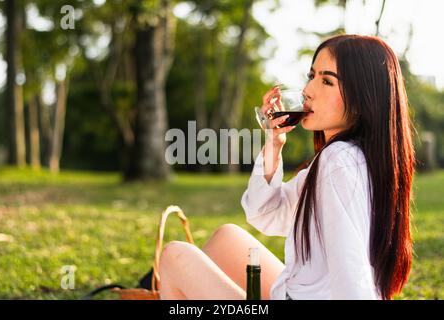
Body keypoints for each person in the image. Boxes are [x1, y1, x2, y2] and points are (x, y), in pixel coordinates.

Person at [158, 34, 415, 300]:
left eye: (327, 81)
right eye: (311, 76)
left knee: (175, 256)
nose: (308, 90)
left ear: (363, 97)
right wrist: (274, 142)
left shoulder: (338, 161)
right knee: (227, 237)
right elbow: (266, 213)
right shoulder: (354, 157)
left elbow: (351, 270)